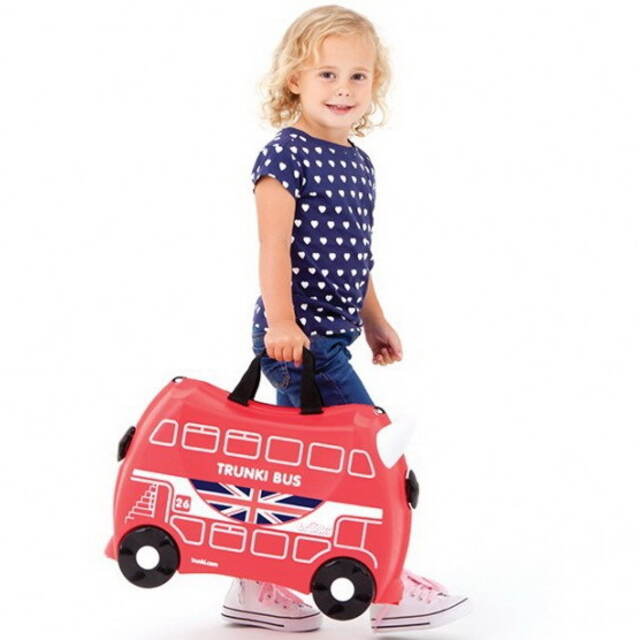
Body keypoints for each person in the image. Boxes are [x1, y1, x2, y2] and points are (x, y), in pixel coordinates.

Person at [221, 4, 471, 633]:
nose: (343, 89)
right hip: (298, 342)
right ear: (294, 79)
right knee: (372, 455)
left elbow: (356, 255)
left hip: (333, 336)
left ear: (375, 84)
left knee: (289, 472)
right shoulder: (285, 156)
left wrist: (374, 318)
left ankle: (254, 584)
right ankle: (386, 588)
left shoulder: (358, 162)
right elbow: (273, 247)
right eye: (327, 74)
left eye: (358, 76)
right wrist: (282, 323)